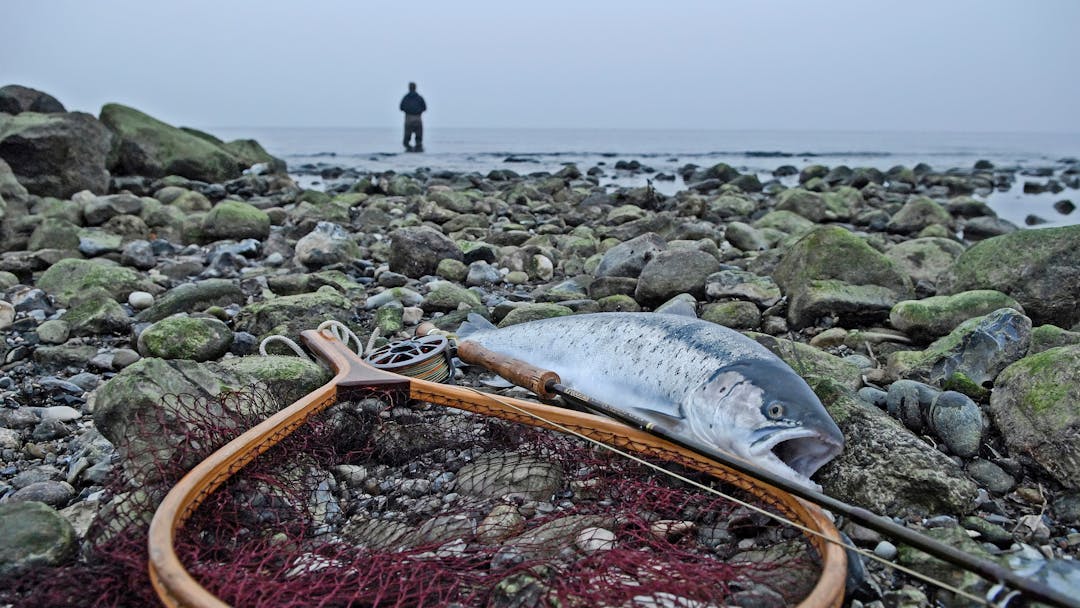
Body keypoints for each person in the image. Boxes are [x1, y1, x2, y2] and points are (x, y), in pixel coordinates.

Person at [399, 82, 427, 152]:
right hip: (418, 119)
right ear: (415, 88)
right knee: (419, 141)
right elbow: (425, 108)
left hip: (408, 119)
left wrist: (408, 110)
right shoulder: (420, 97)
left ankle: (409, 152)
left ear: (409, 88)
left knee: (406, 142)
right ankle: (417, 155)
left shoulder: (406, 97)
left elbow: (401, 107)